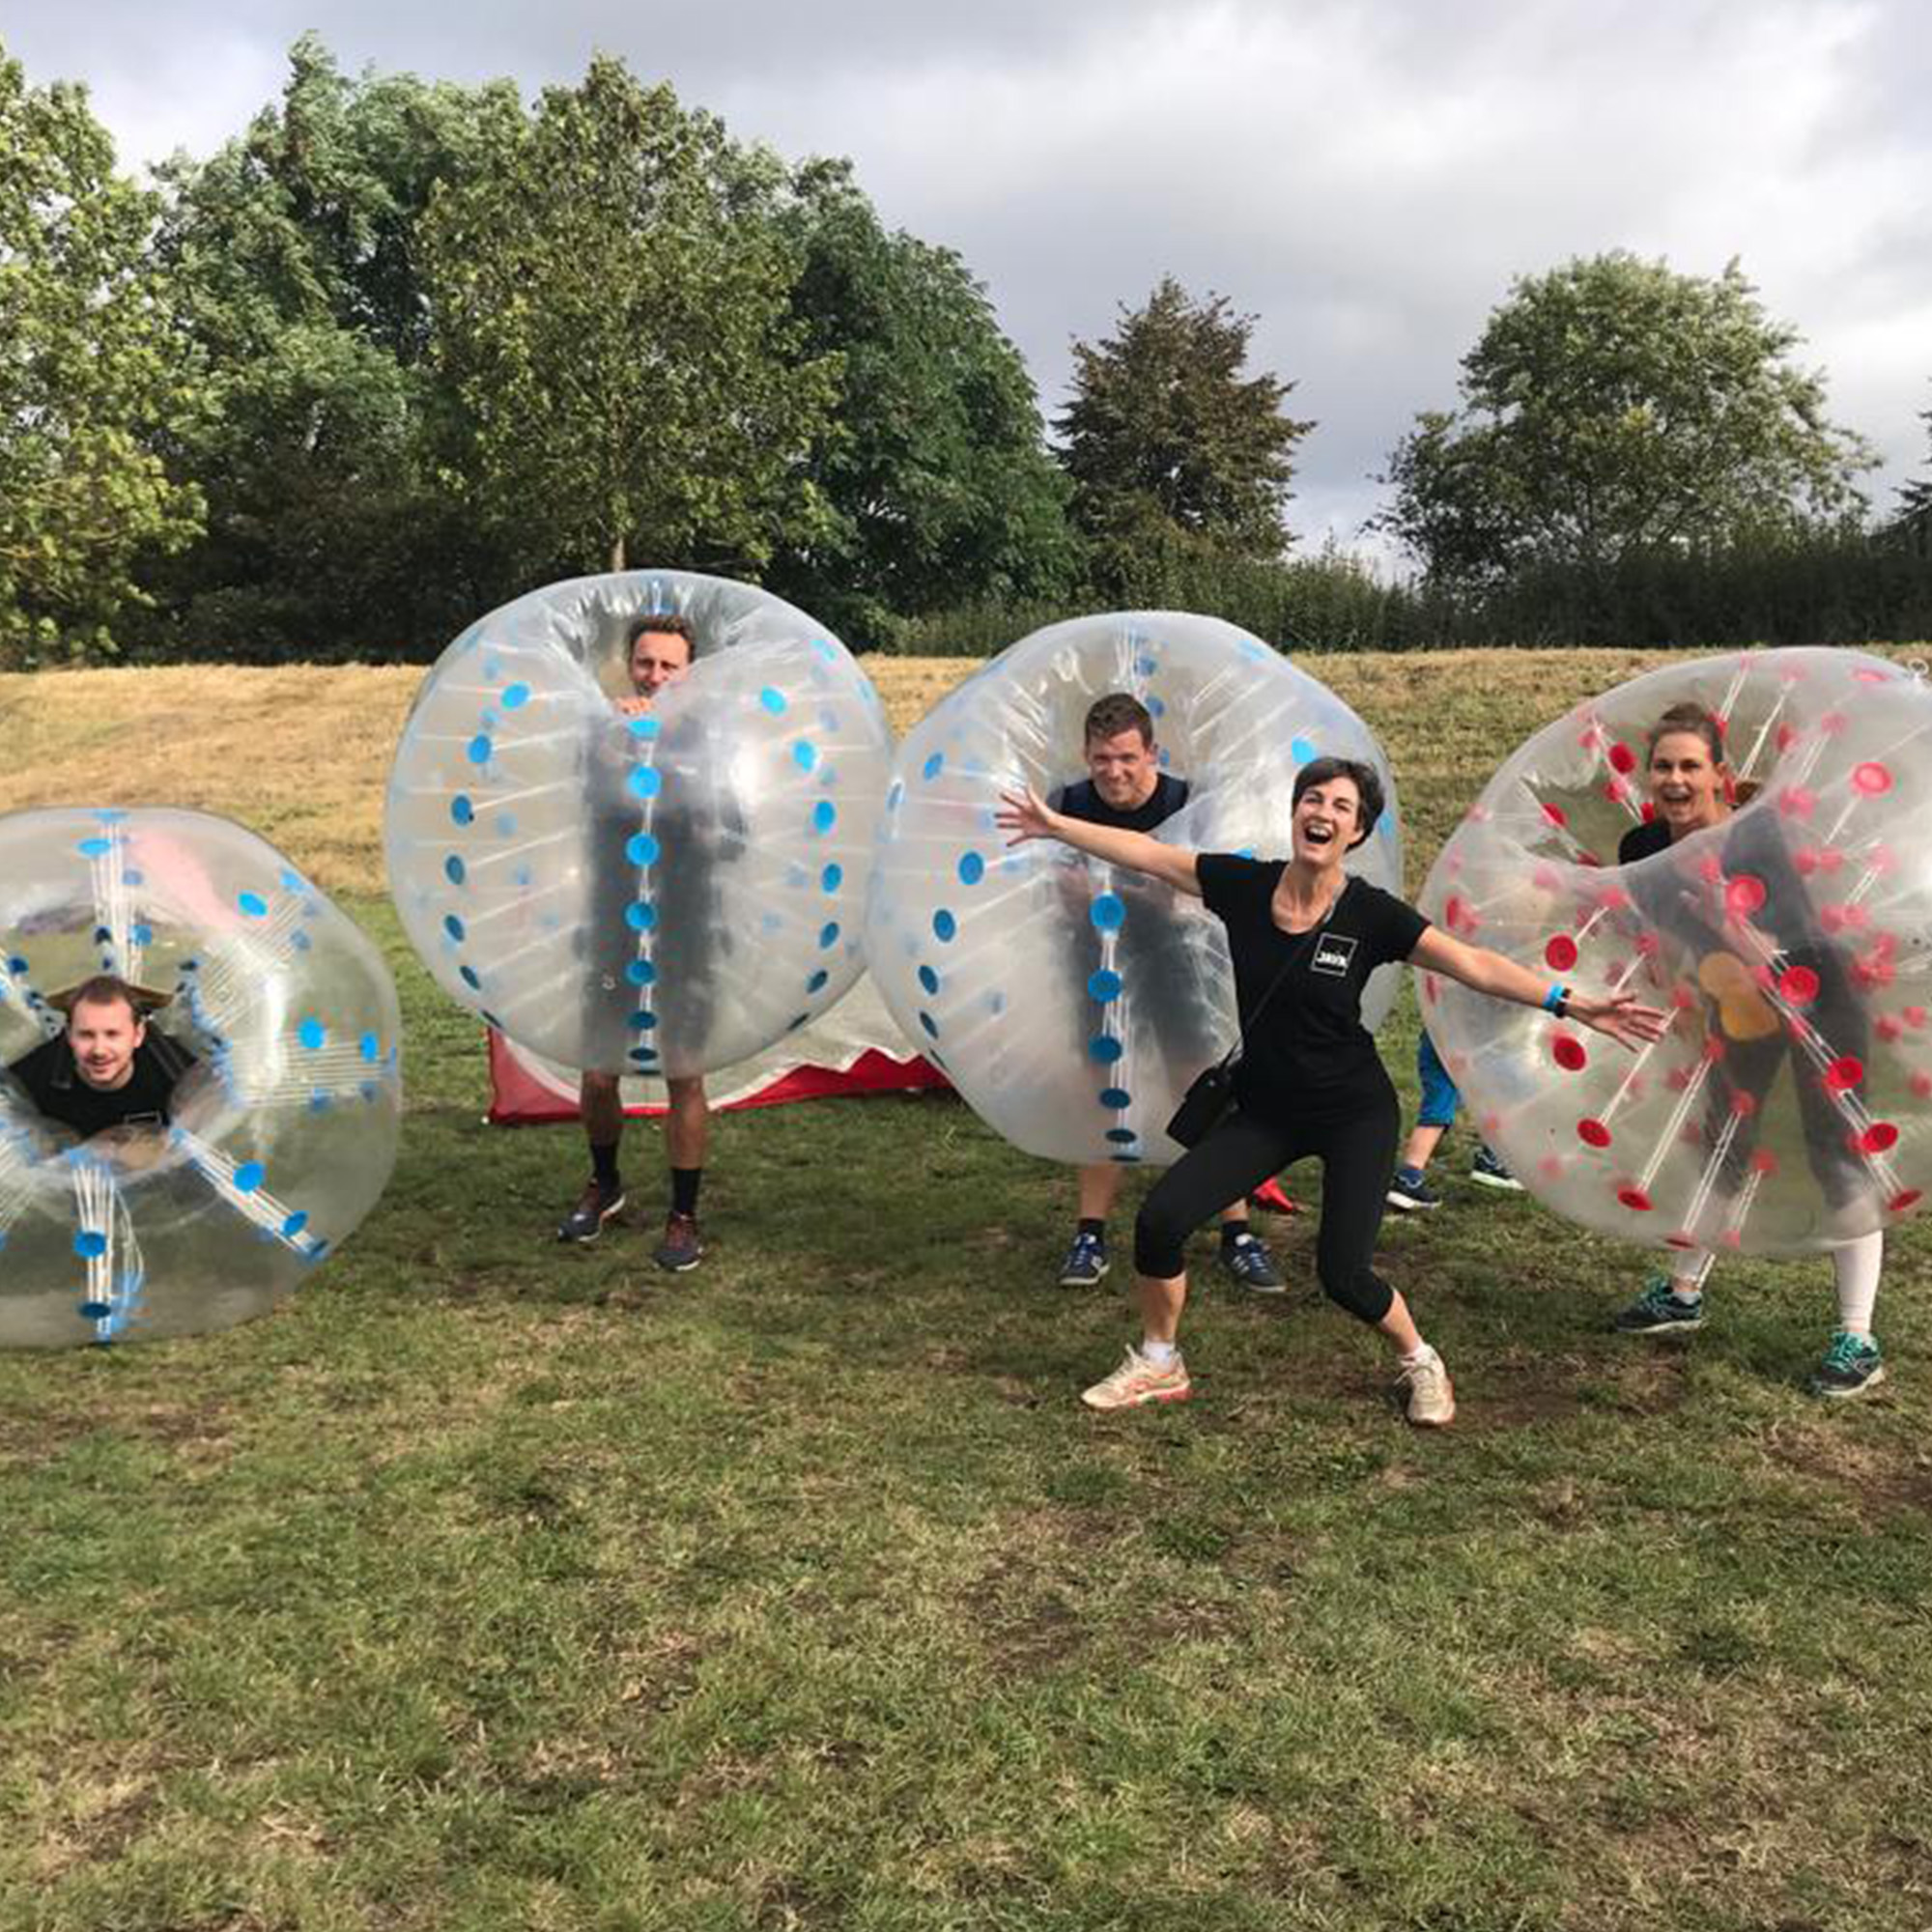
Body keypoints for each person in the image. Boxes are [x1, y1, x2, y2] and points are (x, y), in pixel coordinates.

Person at [997, 756, 1665, 1424]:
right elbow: (1149, 855)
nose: (1322, 813)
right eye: (1312, 799)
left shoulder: (1370, 914)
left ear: (1357, 832)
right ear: (1295, 813)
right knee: (1160, 1221)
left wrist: (1570, 1001)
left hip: (1352, 1113)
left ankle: (1421, 1360)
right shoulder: (1244, 885)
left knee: (1344, 1276)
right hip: (1267, 1110)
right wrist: (1057, 825)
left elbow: (1471, 963)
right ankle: (1160, 1360)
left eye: (1341, 807)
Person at [1610, 701, 1888, 1398]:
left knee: (1835, 1152)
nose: (1675, 780)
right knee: (1723, 1142)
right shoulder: (1640, 848)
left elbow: (1773, 953)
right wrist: (1675, 995)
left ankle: (1858, 1338)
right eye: (1663, 766)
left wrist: (1717, 902)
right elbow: (1659, 936)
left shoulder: (1757, 838)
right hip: (1738, 1001)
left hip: (1818, 994)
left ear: (1720, 775)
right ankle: (1683, 1295)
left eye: (1690, 766)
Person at [1047, 693, 1284, 1293]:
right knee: (1100, 1088)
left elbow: (1200, 889)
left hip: (1174, 958)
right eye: (1102, 759)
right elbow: (1052, 884)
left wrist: (1120, 892)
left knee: (1200, 1088)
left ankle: (1237, 1232)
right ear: (1086, 754)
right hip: (1094, 959)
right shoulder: (1069, 805)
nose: (1114, 772)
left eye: (1127, 758)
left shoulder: (1185, 804)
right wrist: (1085, 892)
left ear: (1152, 753)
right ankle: (1089, 1234)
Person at [556, 613, 713, 1271]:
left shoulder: (710, 743)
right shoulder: (601, 734)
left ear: (689, 674)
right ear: (629, 666)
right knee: (598, 1072)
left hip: (683, 927)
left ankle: (684, 1216)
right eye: (645, 663)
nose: (655, 677)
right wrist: (619, 743)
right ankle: (605, 1183)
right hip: (613, 927)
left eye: (669, 666)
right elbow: (583, 806)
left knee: (684, 1072)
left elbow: (725, 832)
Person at [6, 975, 197, 1142]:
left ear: (138, 1035)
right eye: (86, 1035)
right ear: (69, 1035)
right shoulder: (32, 1077)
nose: (99, 1050)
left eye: (112, 1034)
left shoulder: (177, 1070)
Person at [1385, 1030, 1521, 1210]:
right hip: (1469, 1044)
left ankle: (1409, 1177)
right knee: (1504, 1094)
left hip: (1438, 1038)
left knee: (1437, 1112)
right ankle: (1409, 1179)